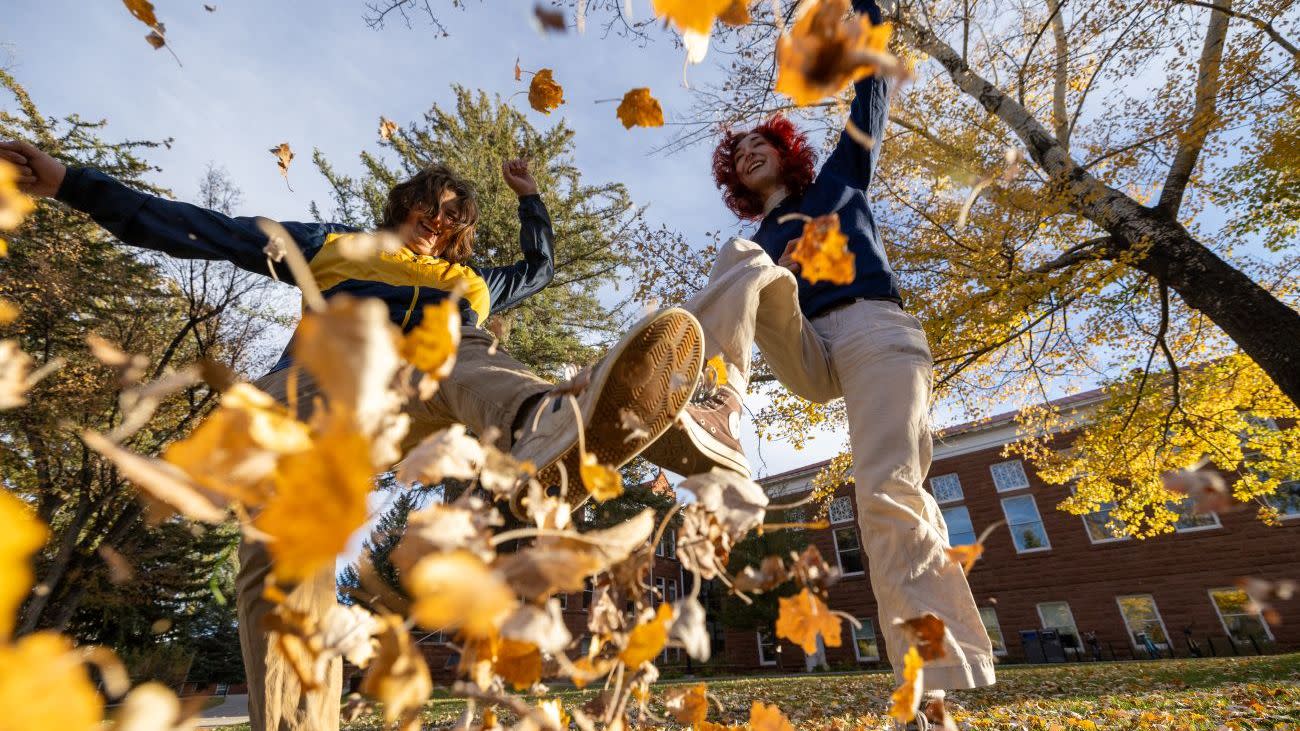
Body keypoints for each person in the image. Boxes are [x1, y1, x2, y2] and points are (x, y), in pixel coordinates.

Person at [1, 139, 710, 731]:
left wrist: (530, 199)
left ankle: (548, 429)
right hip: (326, 392)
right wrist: (72, 182)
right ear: (403, 207)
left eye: (452, 217)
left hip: (428, 394)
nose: (436, 223)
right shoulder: (336, 246)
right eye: (428, 209)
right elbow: (205, 229)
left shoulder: (471, 279)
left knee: (464, 345)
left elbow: (541, 266)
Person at [640, 0, 996, 725]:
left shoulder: (840, 178)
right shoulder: (763, 236)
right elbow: (749, 296)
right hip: (808, 347)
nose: (745, 155)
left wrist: (864, 19)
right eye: (735, 158)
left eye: (756, 145)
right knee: (740, 258)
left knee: (886, 492)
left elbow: (872, 92)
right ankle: (718, 403)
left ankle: (935, 689)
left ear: (785, 149)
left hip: (875, 333)